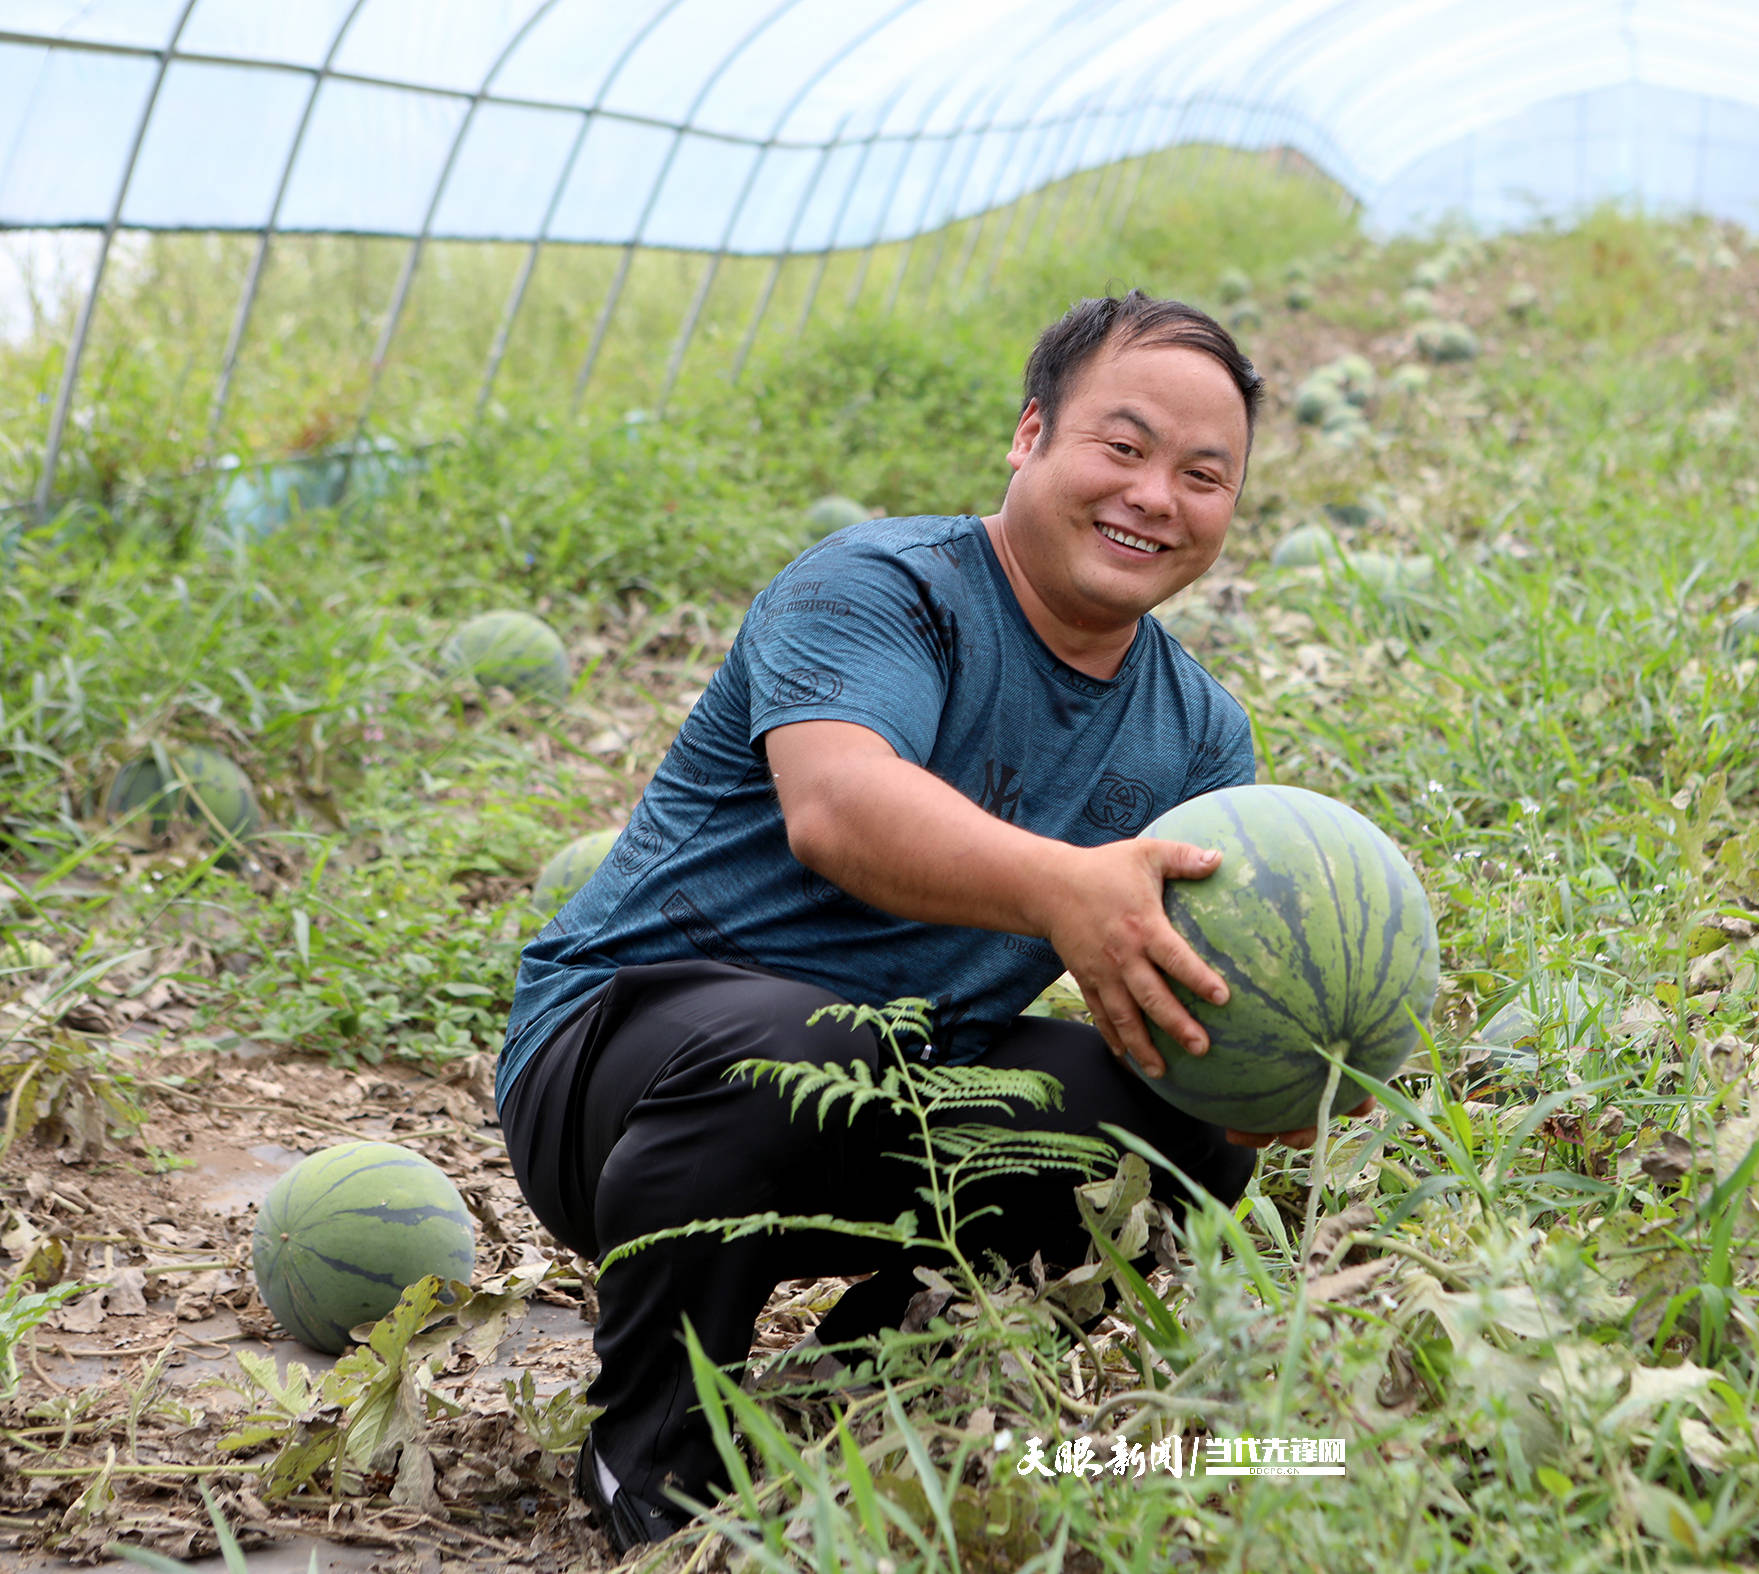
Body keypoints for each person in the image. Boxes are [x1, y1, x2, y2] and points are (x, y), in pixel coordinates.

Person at [493, 291, 1380, 1553]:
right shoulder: (881, 586)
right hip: (623, 1068)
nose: (1154, 497)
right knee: (800, 1047)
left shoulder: (1198, 730)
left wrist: (1271, 1066)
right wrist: (1062, 886)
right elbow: (838, 806)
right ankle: (656, 1459)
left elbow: (1191, 975)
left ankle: (874, 1379)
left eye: (1203, 475)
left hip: (890, 1077)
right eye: (1119, 449)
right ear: (1028, 437)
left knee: (1175, 1136)